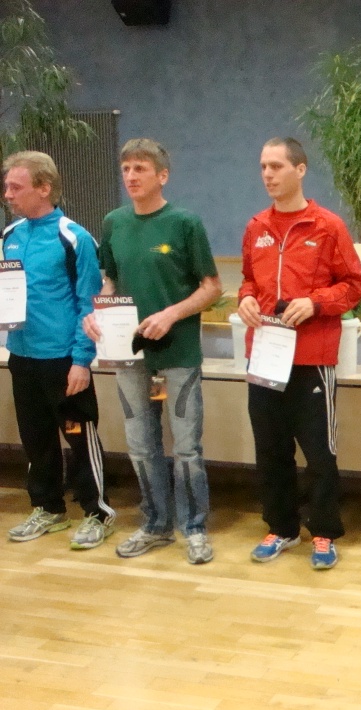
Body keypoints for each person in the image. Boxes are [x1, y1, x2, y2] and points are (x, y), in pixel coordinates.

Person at [84, 138, 221, 564]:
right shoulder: (113, 223)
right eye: (126, 168)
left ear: (162, 176)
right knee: (141, 445)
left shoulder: (185, 223)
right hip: (129, 354)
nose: (130, 176)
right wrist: (98, 312)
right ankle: (155, 524)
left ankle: (194, 528)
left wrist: (171, 314)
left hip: (178, 353)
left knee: (186, 447)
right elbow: (110, 280)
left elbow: (212, 287)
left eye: (140, 168)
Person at [238, 137, 361, 571]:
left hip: (312, 358)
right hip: (264, 357)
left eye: (276, 166)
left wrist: (315, 302)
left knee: (319, 453)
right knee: (270, 449)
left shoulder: (327, 226)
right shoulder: (256, 226)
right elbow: (248, 280)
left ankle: (324, 530)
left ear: (300, 169)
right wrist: (245, 298)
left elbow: (354, 284)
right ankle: (281, 527)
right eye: (263, 166)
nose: (268, 174)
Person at [3, 151, 117, 549]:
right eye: (6, 187)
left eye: (15, 187)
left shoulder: (74, 237)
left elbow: (89, 303)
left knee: (79, 437)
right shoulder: (9, 236)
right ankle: (48, 507)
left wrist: (81, 360)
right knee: (36, 438)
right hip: (22, 355)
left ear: (44, 188)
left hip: (64, 359)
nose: (7, 194)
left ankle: (98, 512)